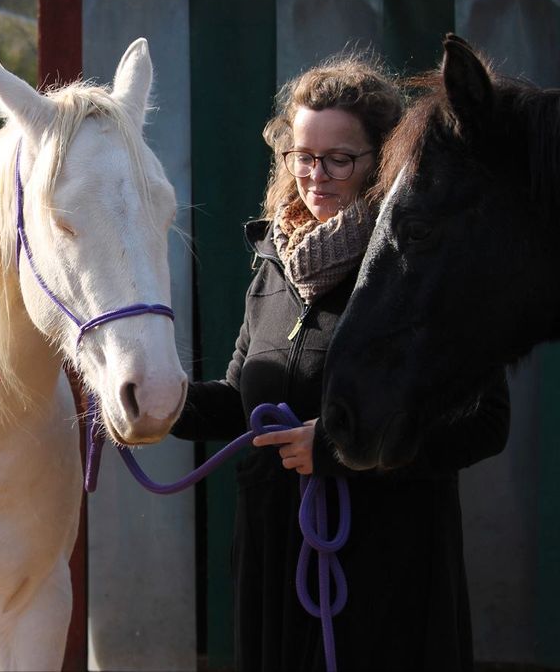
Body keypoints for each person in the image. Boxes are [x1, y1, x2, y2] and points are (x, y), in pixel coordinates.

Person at [172, 54, 510, 672]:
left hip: (384, 565)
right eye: (302, 156)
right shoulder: (274, 265)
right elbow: (244, 402)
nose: (315, 176)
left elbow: (486, 423)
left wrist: (338, 450)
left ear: (381, 161)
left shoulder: (416, 270)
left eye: (339, 159)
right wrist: (164, 402)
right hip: (275, 551)